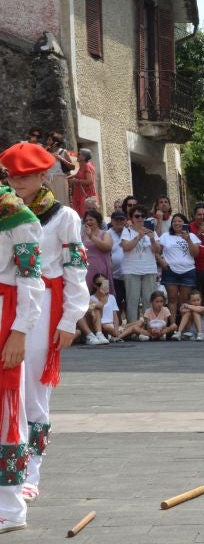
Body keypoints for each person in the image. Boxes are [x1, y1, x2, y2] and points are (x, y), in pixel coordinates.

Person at [1, 142, 90, 509]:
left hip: (47, 304)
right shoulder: (7, 211)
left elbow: (76, 268)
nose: (17, 182)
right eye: (12, 176)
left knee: (35, 393)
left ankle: (30, 473)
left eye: (25, 176)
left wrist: (70, 318)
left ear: (43, 176)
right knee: (11, 392)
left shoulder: (64, 216)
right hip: (12, 302)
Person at [0, 166, 44, 531]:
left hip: (5, 314)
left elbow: (31, 276)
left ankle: (11, 508)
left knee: (6, 413)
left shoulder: (17, 215)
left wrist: (20, 331)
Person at [120, 205, 161, 323]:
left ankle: (150, 326)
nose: (140, 218)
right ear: (131, 218)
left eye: (143, 216)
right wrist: (139, 236)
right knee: (132, 301)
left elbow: (157, 250)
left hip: (149, 270)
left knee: (149, 300)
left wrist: (152, 238)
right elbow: (126, 247)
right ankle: (133, 327)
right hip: (131, 270)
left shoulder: (151, 231)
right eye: (137, 216)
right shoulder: (127, 231)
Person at [157, 213, 200, 323]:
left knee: (185, 300)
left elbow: (196, 254)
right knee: (172, 298)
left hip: (188, 271)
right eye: (174, 221)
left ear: (185, 223)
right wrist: (162, 262)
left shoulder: (192, 236)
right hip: (170, 271)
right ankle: (173, 324)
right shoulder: (166, 236)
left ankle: (184, 326)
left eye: (180, 221)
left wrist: (188, 239)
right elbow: (156, 251)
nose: (177, 223)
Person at [82, 209, 114, 297]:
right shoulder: (83, 237)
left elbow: (107, 247)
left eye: (91, 220)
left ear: (98, 221)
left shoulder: (105, 234)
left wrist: (91, 237)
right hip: (87, 272)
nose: (88, 222)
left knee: (104, 295)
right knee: (88, 296)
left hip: (102, 272)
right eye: (86, 220)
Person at [83, 276, 122, 344]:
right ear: (95, 285)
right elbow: (95, 310)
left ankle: (115, 335)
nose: (101, 286)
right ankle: (104, 335)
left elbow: (115, 317)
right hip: (99, 324)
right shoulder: (91, 298)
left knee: (138, 323)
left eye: (104, 283)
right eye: (99, 284)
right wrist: (102, 297)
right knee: (105, 326)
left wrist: (116, 329)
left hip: (110, 324)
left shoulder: (111, 297)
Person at [107, 210, 128, 316]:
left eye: (121, 219)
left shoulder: (129, 232)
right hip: (113, 276)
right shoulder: (107, 234)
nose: (119, 221)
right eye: (116, 219)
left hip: (129, 275)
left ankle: (132, 324)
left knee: (131, 303)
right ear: (112, 221)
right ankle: (117, 324)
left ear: (125, 220)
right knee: (116, 303)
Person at [68, 148, 97, 217]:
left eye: (79, 154)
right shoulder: (82, 166)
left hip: (86, 193)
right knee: (78, 213)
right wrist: (66, 178)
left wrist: (76, 181)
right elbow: (77, 175)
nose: (77, 155)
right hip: (79, 193)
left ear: (84, 157)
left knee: (84, 213)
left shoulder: (87, 166)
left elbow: (89, 181)